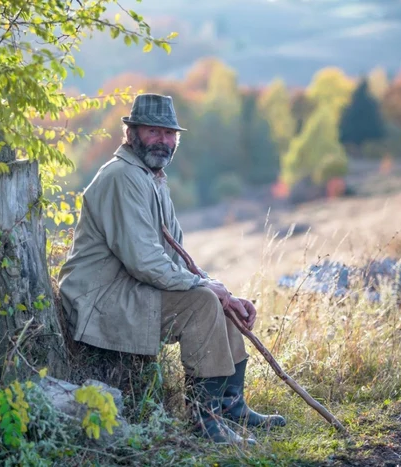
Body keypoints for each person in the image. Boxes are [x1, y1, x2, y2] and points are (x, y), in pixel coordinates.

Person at [58, 93, 285, 444]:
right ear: (132, 133)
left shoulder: (152, 178)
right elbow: (144, 261)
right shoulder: (122, 177)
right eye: (153, 132)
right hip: (99, 299)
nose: (163, 141)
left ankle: (230, 405)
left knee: (215, 300)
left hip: (131, 289)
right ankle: (203, 421)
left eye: (169, 134)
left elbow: (177, 258)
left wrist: (221, 290)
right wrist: (206, 291)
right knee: (202, 303)